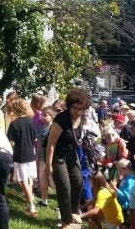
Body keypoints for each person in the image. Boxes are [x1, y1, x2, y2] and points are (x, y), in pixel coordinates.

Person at [46, 87, 91, 228]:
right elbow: (51, 144)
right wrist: (48, 165)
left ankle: (73, 211)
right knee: (64, 187)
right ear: (70, 105)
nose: (78, 112)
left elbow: (76, 136)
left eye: (81, 109)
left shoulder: (82, 117)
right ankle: (66, 222)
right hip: (57, 155)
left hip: (71, 153)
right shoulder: (61, 119)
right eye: (75, 108)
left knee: (78, 182)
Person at [6, 98, 38, 216]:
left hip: (20, 154)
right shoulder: (31, 121)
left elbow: (10, 140)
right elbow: (35, 138)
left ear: (16, 109)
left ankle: (31, 205)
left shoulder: (14, 123)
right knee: (28, 179)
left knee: (23, 180)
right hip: (31, 153)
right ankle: (31, 200)